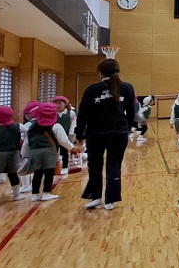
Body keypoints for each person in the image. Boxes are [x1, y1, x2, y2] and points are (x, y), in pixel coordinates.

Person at [75, 58, 136, 211]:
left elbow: (83, 113)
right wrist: (128, 128)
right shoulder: (127, 87)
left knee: (95, 165)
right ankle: (110, 200)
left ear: (101, 73)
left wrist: (79, 134)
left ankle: (96, 196)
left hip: (96, 134)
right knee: (114, 165)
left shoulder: (92, 89)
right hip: (118, 134)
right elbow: (131, 111)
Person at [23, 102, 74, 202]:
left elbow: (26, 143)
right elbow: (63, 141)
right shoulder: (56, 126)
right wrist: (72, 148)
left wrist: (24, 155)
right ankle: (46, 193)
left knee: (37, 173)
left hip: (34, 152)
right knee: (49, 173)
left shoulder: (31, 126)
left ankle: (35, 194)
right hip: (49, 153)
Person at [54, 96, 77, 174]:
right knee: (55, 151)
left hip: (67, 134)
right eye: (55, 103)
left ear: (65, 103)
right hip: (55, 135)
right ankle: (55, 167)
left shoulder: (71, 113)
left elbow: (73, 124)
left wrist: (71, 134)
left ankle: (65, 166)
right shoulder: (54, 113)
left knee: (65, 150)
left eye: (60, 103)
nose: (57, 105)